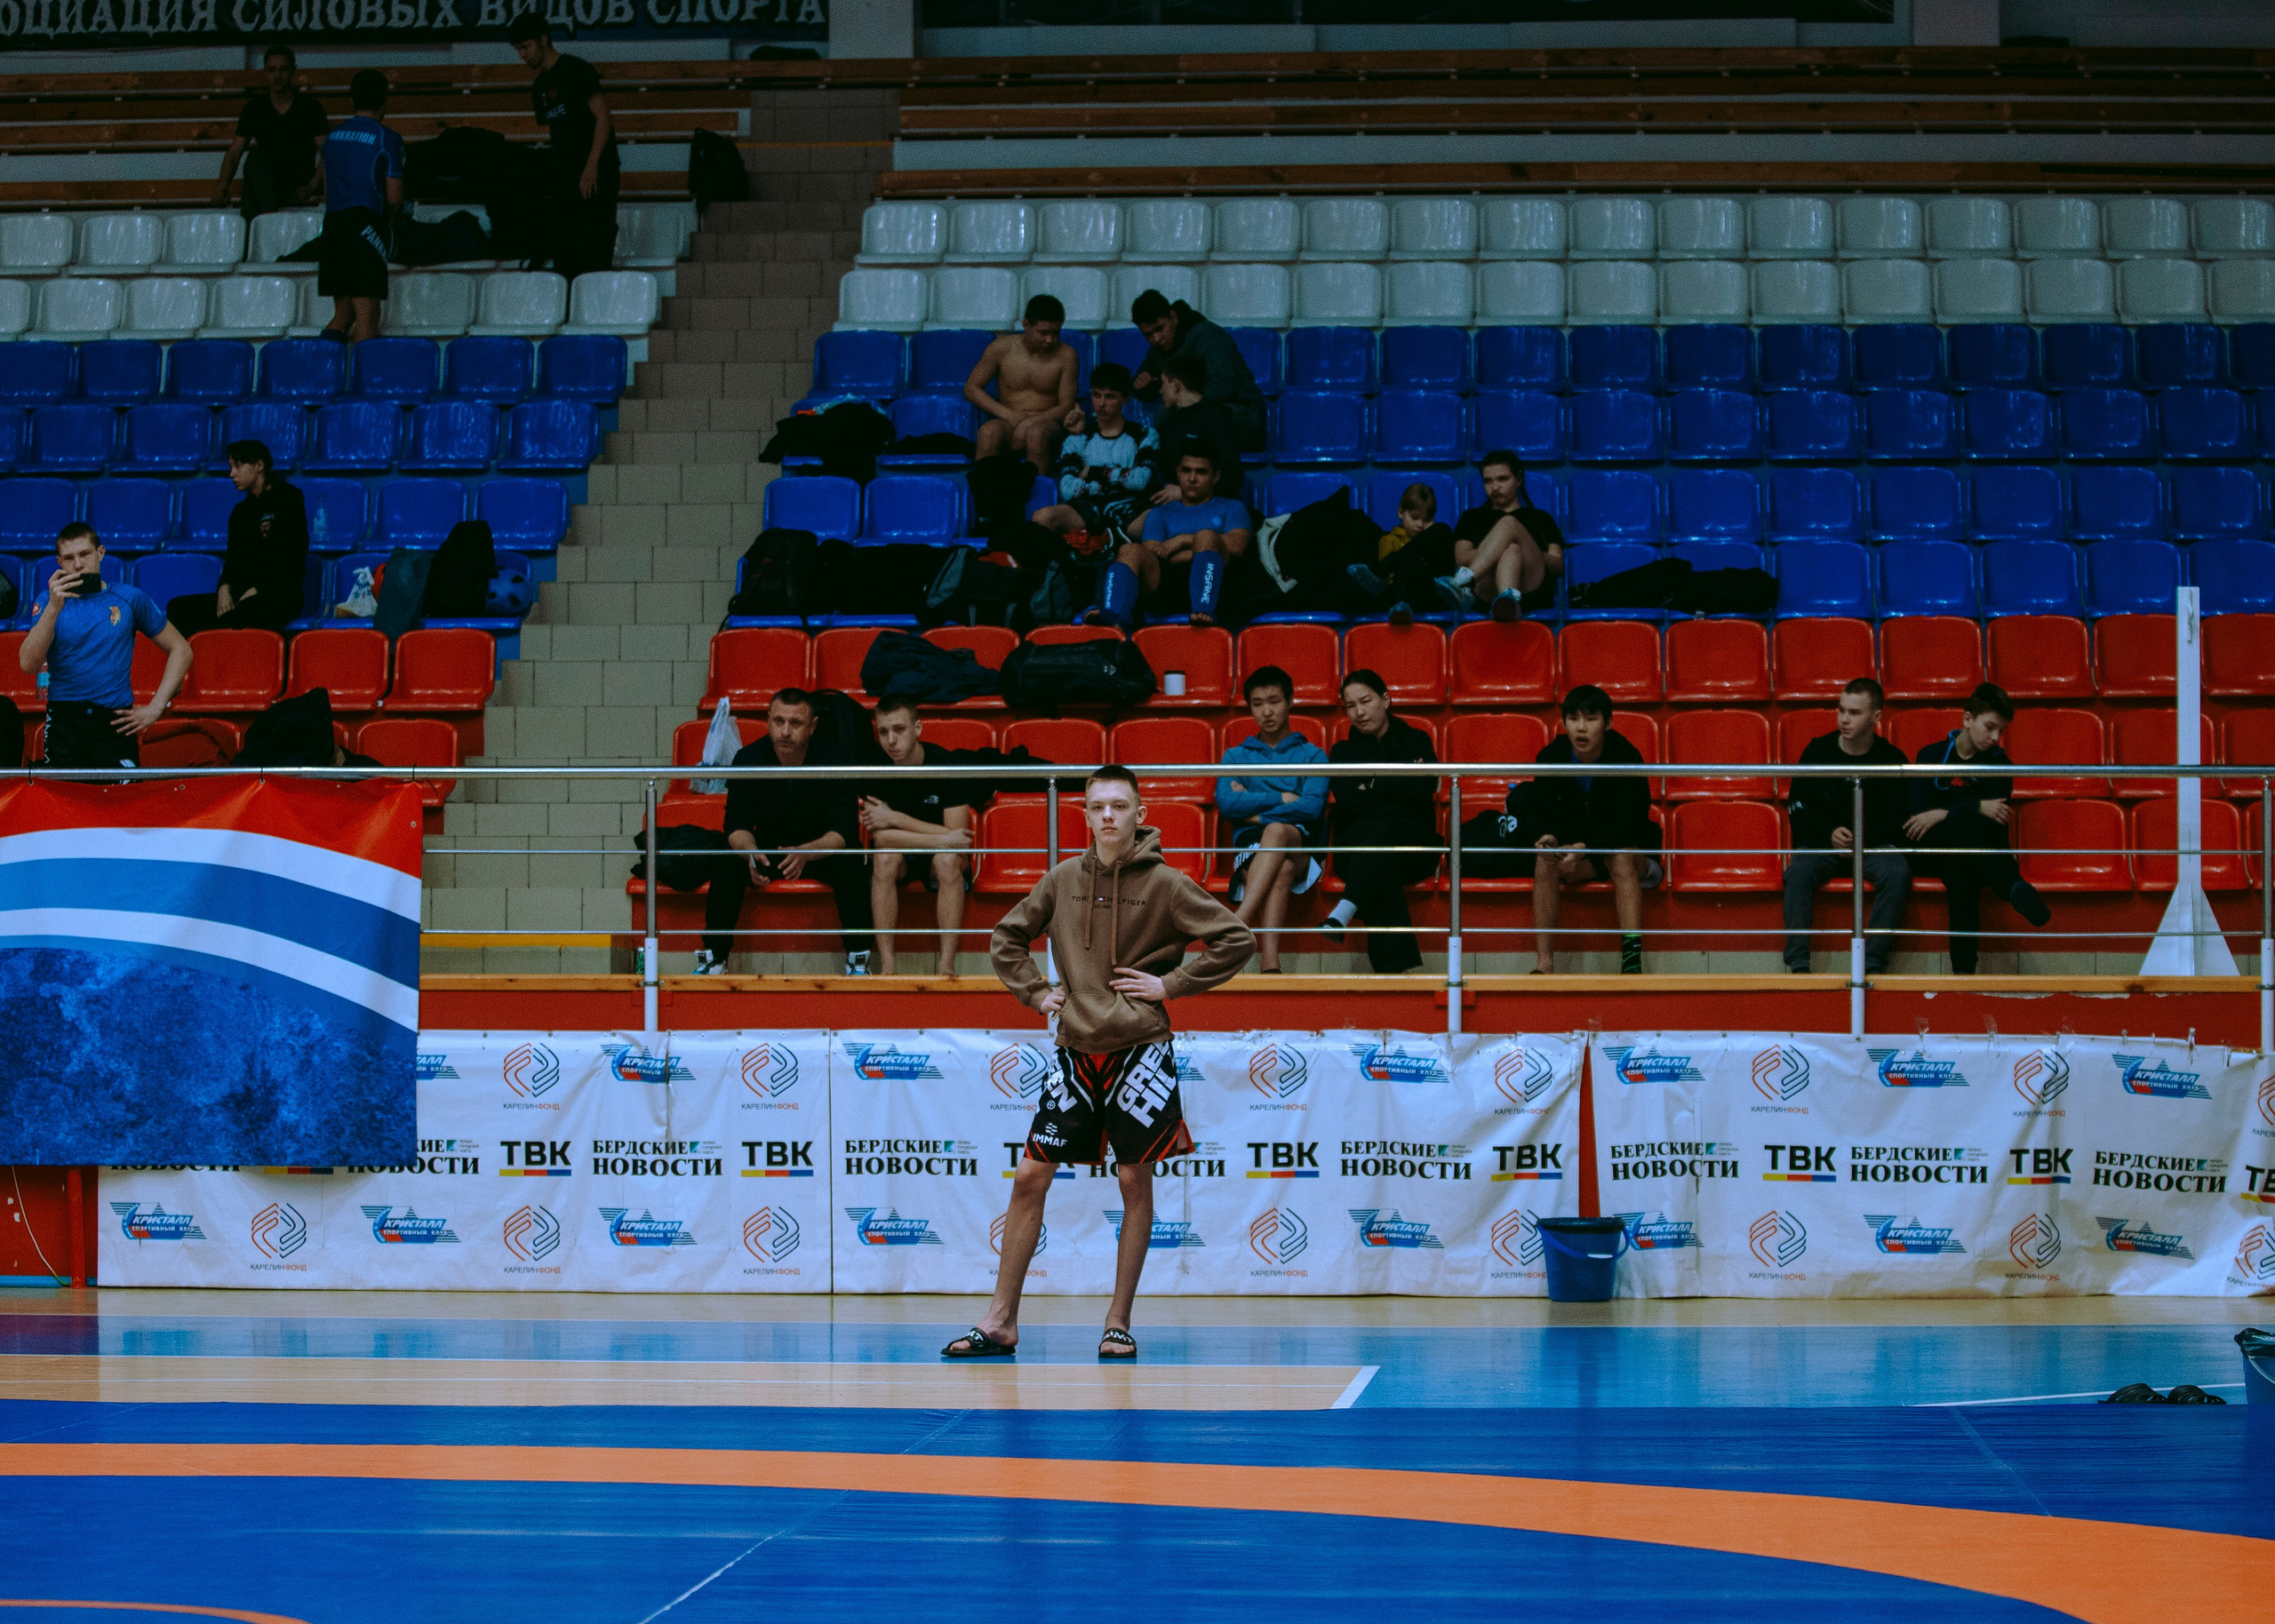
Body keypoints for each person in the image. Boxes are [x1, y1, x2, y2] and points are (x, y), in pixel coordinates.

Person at [951, 765, 1254, 1361]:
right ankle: (1001, 1321)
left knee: (1133, 1179)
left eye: (1120, 806)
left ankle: (1118, 1322)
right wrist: (1038, 993)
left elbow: (1236, 940)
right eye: (1097, 807)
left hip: (1141, 1050)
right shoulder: (1062, 878)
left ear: (1141, 816)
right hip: (1073, 1050)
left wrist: (1172, 985)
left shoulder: (1168, 883)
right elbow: (1005, 938)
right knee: (1030, 1177)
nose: (1109, 816)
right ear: (1085, 815)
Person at [697, 688, 874, 976]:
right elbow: (736, 826)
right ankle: (715, 957)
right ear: (768, 721)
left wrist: (808, 852)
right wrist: (750, 853)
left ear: (813, 726)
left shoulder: (835, 758)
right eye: (778, 721)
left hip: (819, 849)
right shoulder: (748, 759)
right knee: (728, 858)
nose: (785, 731)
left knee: (851, 860)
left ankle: (858, 956)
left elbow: (843, 830)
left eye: (796, 723)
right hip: (771, 849)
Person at [1904, 682, 2054, 975]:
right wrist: (1973, 805)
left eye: (2001, 730)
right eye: (1989, 727)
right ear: (1967, 719)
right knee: (1960, 827)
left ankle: (1963, 977)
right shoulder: (1931, 756)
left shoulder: (2000, 765)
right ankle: (2009, 884)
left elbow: (1988, 822)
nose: (1995, 737)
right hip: (1926, 847)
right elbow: (1917, 813)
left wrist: (1945, 810)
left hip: (1971, 849)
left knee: (1961, 865)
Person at [18, 523, 191, 770]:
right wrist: (55, 607)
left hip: (115, 720)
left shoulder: (129, 597)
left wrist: (156, 707)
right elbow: (28, 664)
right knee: (65, 804)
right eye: (69, 558)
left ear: (100, 553)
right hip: (65, 720)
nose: (78, 565)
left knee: (121, 802)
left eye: (85, 554)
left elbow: (181, 649)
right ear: (59, 562)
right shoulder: (48, 601)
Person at [1527, 684, 1660, 975]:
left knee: (1621, 856)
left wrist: (1583, 847)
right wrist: (1550, 838)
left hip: (1628, 853)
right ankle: (1544, 964)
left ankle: (1631, 963)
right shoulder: (1551, 757)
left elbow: (1631, 822)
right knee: (1544, 862)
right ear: (1564, 723)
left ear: (1608, 723)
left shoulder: (1626, 755)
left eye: (1591, 718)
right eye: (1574, 719)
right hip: (1581, 857)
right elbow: (1543, 810)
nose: (1581, 728)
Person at [1784, 678, 1912, 975]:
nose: (1844, 719)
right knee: (1798, 872)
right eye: (1841, 710)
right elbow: (1798, 808)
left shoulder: (1892, 760)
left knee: (1898, 872)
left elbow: (1900, 818)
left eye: (1854, 713)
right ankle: (1799, 965)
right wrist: (1829, 832)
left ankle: (1873, 964)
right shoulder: (1817, 752)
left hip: (1871, 847)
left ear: (1876, 717)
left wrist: (1862, 840)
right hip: (1823, 846)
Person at [1322, 669, 1441, 975]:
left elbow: (1424, 786)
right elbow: (1349, 798)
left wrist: (1371, 784)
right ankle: (1399, 976)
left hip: (1414, 846)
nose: (1359, 712)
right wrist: (1395, 783)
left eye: (1366, 701)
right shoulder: (1342, 752)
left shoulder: (1416, 740)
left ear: (1385, 700)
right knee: (1381, 853)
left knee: (1381, 840)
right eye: (1350, 706)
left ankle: (1344, 912)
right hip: (1356, 848)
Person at [1216, 665, 1328, 973]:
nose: (1266, 711)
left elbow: (1311, 808)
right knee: (1281, 869)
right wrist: (1282, 798)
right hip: (1253, 847)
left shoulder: (1313, 755)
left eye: (1274, 701)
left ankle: (1237, 924)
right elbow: (1226, 803)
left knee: (1278, 831)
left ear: (1290, 702)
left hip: (1301, 843)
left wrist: (1255, 814)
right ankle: (1270, 964)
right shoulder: (1235, 757)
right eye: (1257, 703)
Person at [862, 697, 974, 977]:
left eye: (899, 730)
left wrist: (895, 819)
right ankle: (888, 966)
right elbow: (882, 841)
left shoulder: (947, 764)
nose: (890, 740)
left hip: (941, 858)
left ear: (918, 728)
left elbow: (959, 839)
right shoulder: (874, 766)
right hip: (904, 856)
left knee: (948, 861)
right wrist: (943, 839)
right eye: (883, 732)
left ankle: (946, 965)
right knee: (884, 860)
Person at [1087, 448, 1252, 631]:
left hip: (1218, 589)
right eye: (1186, 470)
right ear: (1178, 472)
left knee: (1207, 536)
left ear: (1216, 477)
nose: (1192, 479)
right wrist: (1199, 552)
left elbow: (1237, 547)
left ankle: (1203, 610)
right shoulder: (1159, 514)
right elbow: (1153, 553)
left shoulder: (1232, 507)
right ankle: (1114, 615)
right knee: (1129, 550)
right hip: (1168, 589)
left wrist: (1182, 541)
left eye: (1202, 472)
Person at [509, 12, 620, 283]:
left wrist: (592, 164)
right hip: (568, 174)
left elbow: (603, 117)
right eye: (518, 49)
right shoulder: (539, 88)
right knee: (568, 246)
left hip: (598, 169)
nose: (522, 55)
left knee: (596, 240)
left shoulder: (576, 70)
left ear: (543, 40)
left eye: (526, 47)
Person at [1393, 450, 1564, 622]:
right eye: (1488, 481)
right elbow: (1461, 558)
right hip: (1487, 590)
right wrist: (1500, 548)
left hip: (1530, 587)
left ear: (1518, 480)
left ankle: (1463, 583)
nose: (1495, 487)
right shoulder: (1472, 517)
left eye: (1502, 479)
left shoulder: (1541, 518)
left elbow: (1558, 566)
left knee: (1510, 526)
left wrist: (1527, 547)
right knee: (1511, 549)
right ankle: (1508, 605)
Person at [165, 440, 308, 637]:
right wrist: (224, 588)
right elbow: (233, 559)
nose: (232, 474)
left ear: (259, 465)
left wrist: (258, 589)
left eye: (238, 466)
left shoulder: (289, 499)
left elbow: (292, 558)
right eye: (231, 467)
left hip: (279, 595)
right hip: (241, 594)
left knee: (241, 614)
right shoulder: (241, 512)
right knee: (178, 608)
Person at [315, 69, 403, 344]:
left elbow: (328, 191)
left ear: (352, 99)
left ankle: (323, 378)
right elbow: (394, 198)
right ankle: (364, 384)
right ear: (384, 100)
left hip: (332, 226)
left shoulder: (333, 137)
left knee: (343, 315)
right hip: (364, 225)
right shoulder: (386, 138)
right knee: (367, 315)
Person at [1129, 290, 1265, 452]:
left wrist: (1183, 402)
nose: (1156, 339)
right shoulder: (1158, 351)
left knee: (1170, 418)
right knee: (1165, 418)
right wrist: (1143, 384)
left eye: (1160, 329)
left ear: (1173, 317)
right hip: (1203, 414)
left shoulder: (1208, 335)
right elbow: (1144, 379)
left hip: (1241, 414)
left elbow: (1222, 387)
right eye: (1148, 335)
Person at [1036, 360, 1150, 544]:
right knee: (1043, 517)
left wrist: (1091, 472)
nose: (1101, 403)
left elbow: (1139, 481)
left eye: (1110, 396)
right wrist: (1118, 476)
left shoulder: (1145, 435)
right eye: (1096, 395)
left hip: (1130, 507)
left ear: (1125, 398)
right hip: (1087, 508)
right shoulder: (1077, 438)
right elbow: (1067, 490)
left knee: (1157, 519)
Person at [964, 295, 1078, 475]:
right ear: (1026, 325)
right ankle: (985, 499)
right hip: (1008, 421)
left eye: (1055, 333)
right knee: (988, 433)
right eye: (1043, 333)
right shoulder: (1001, 348)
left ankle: (1040, 502)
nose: (1050, 340)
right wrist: (1009, 415)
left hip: (1047, 425)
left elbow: (1066, 406)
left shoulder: (1067, 355)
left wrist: (1028, 423)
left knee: (1037, 434)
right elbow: (971, 388)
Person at [215, 44, 327, 220]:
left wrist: (312, 186)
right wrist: (222, 187)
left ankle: (259, 232)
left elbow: (327, 152)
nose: (277, 76)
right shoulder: (254, 108)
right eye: (272, 70)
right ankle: (272, 219)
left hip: (299, 181)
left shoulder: (310, 108)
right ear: (265, 73)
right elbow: (235, 152)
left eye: (283, 69)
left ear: (293, 71)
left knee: (253, 173)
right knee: (255, 162)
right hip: (267, 181)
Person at [1140, 353, 1246, 506]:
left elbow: (1233, 476)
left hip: (1213, 506)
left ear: (1176, 385)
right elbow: (1164, 471)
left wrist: (1183, 491)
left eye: (1164, 383)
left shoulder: (1215, 418)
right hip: (1179, 507)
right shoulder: (1169, 423)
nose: (1160, 390)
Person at [1353, 482, 1457, 624]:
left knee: (1443, 530)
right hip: (1396, 593)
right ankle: (1403, 605)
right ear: (1401, 512)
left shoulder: (1432, 542)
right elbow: (1389, 583)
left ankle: (1382, 570)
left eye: (1427, 520)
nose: (1420, 524)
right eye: (1415, 518)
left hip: (1426, 592)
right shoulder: (1388, 540)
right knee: (1410, 560)